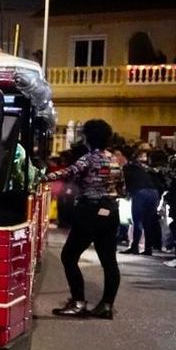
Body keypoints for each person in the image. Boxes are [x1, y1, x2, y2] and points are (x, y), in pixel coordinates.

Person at [47, 119, 125, 319]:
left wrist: (39, 177)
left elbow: (67, 172)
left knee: (69, 256)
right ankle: (107, 305)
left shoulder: (89, 158)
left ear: (88, 137)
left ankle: (78, 302)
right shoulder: (114, 159)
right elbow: (121, 188)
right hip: (111, 211)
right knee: (109, 261)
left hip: (90, 211)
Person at [122, 147, 163, 255]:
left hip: (140, 192)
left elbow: (124, 182)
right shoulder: (150, 168)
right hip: (154, 192)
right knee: (148, 222)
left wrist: (125, 193)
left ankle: (134, 247)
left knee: (137, 221)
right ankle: (148, 249)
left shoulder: (129, 167)